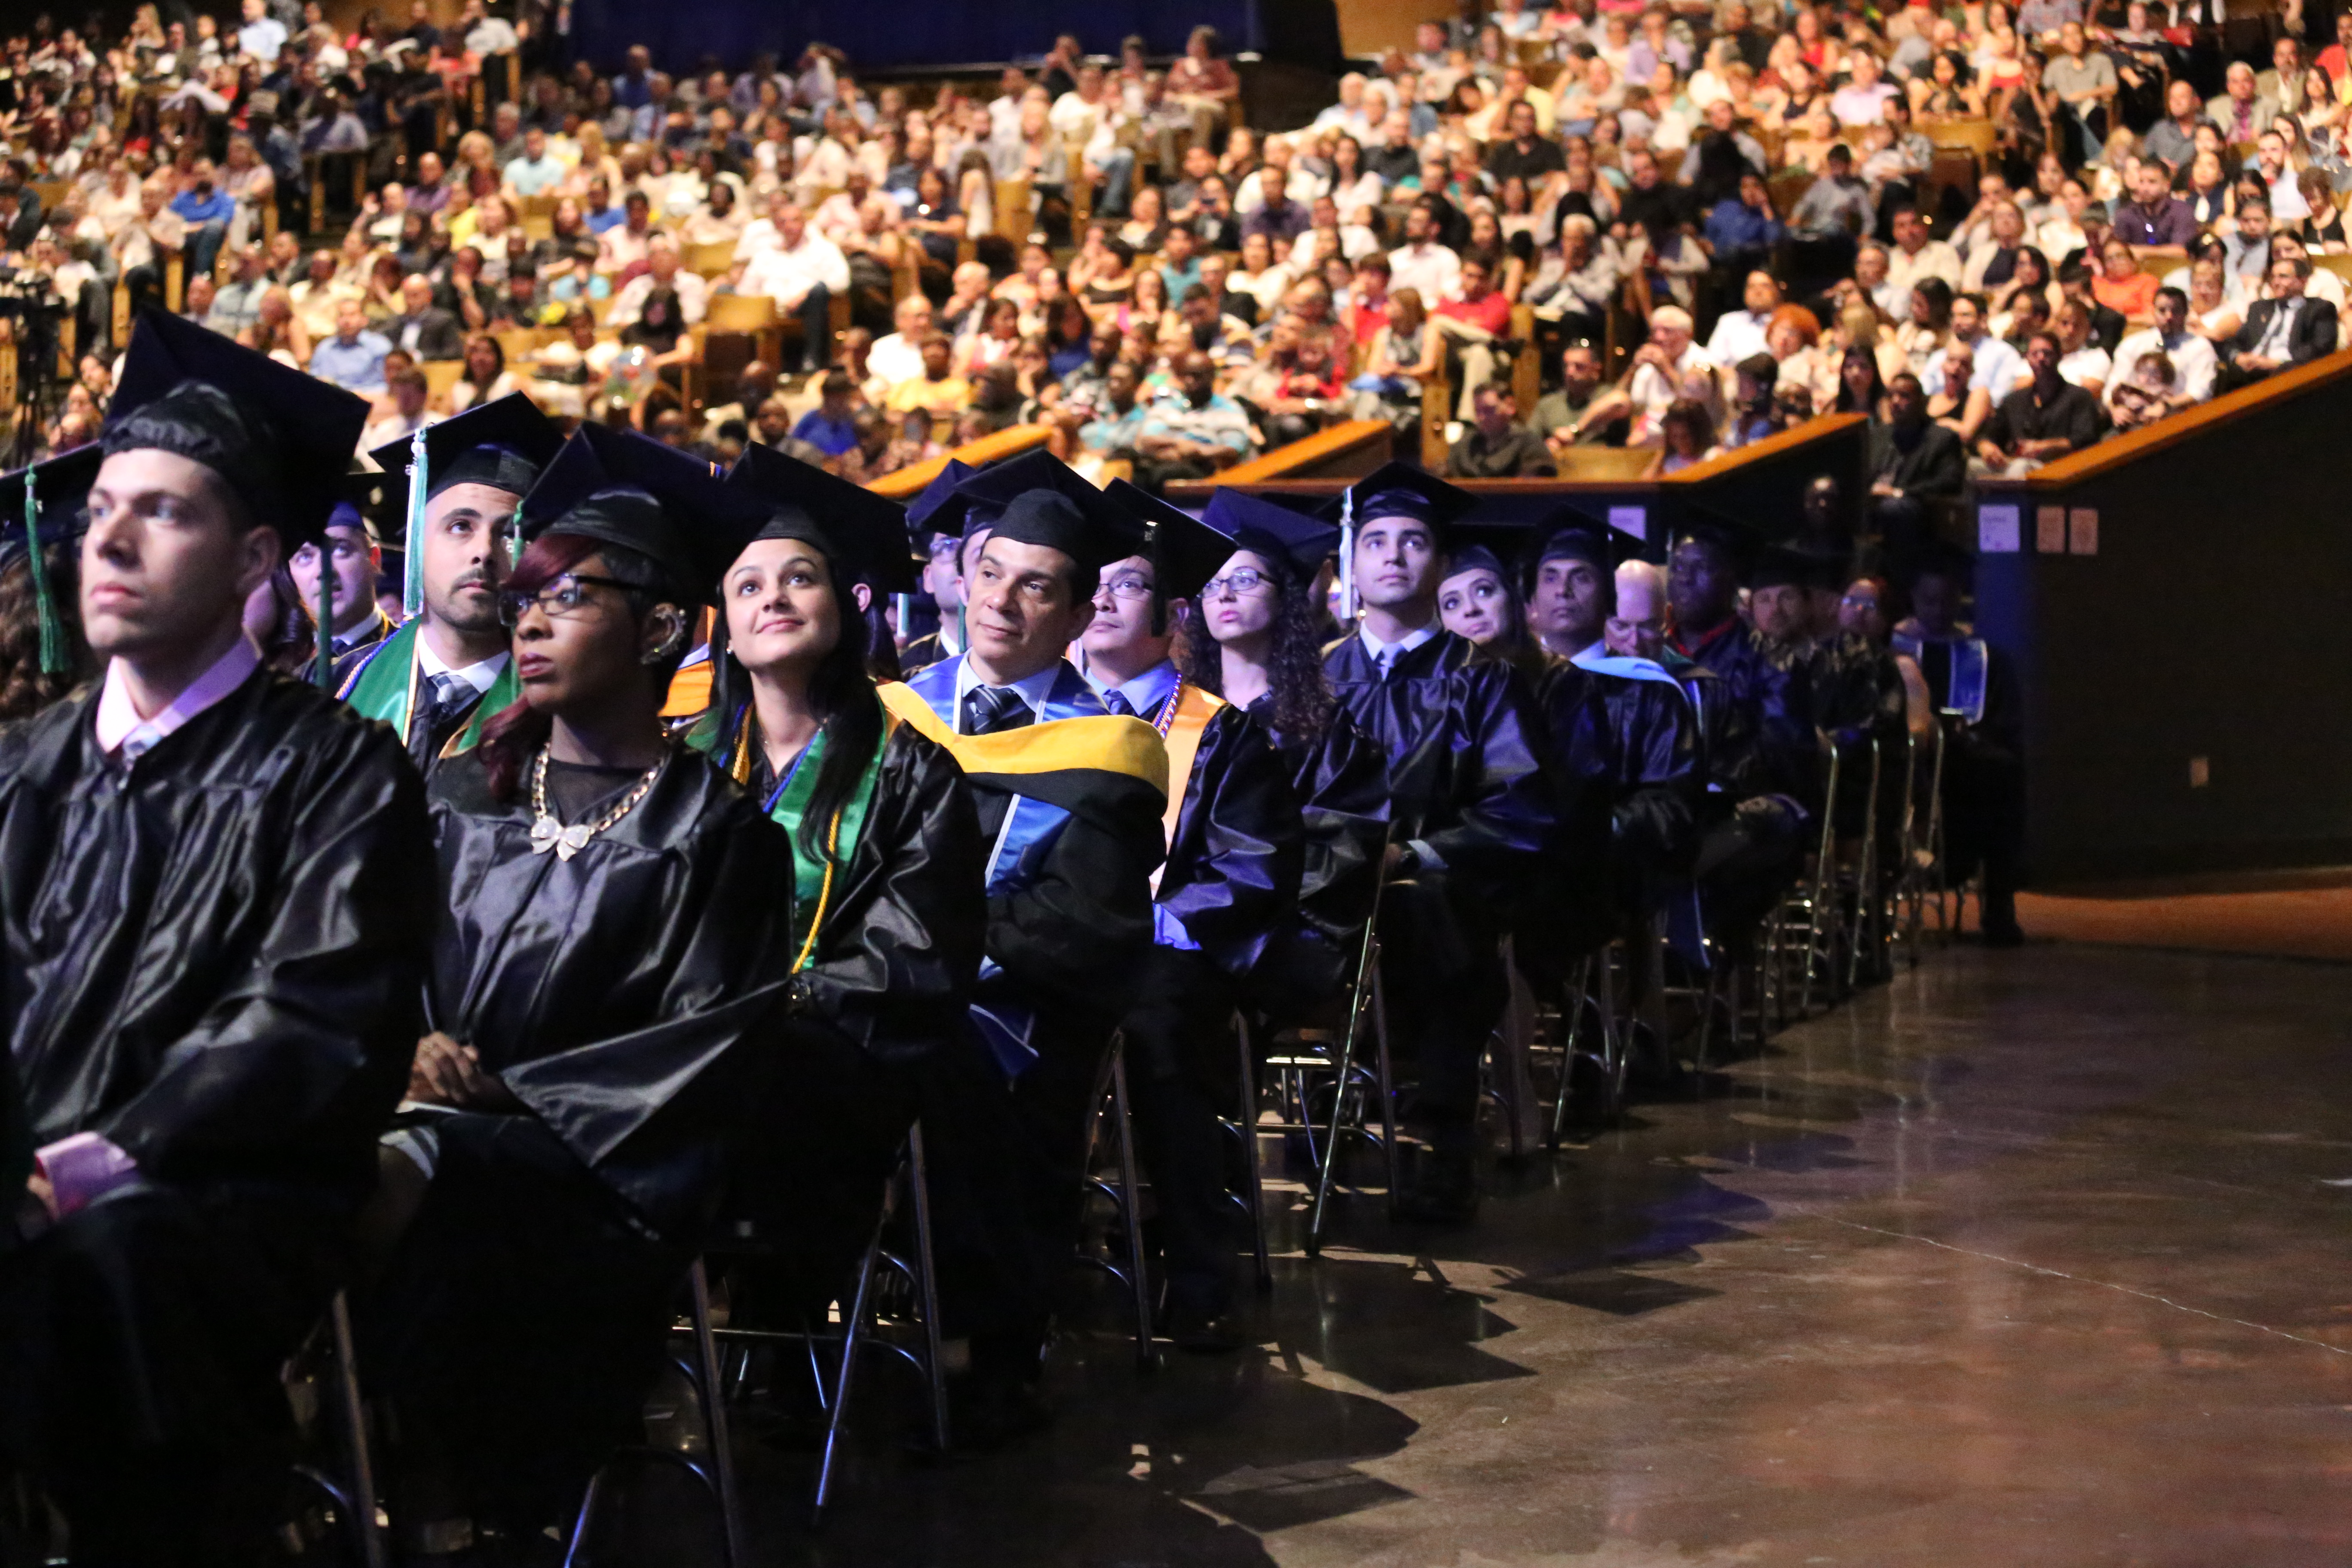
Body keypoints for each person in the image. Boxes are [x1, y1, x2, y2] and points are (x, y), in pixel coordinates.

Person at [0, 312, 432, 1564]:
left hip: (224, 1187)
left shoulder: (336, 771)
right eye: (102, 508)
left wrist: (97, 1156)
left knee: (104, 1260)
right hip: (29, 1176)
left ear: (254, 557)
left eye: (166, 512)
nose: (112, 539)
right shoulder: (25, 767)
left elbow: (312, 1023)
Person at [356, 421, 797, 1550]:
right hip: (425, 1121)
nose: (531, 621)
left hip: (608, 1166)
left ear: (660, 626)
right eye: (524, 603)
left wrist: (508, 1096)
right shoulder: (460, 794)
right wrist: (405, 1050)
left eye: (568, 597)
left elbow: (705, 1051)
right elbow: (375, 954)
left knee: (441, 1185)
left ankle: (459, 1503)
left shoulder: (715, 833)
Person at [882, 458, 1167, 1443]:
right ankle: (794, 1351)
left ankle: (992, 1355)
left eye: (1035, 583)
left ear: (1082, 608)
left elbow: (1084, 922)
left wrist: (937, 953)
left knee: (981, 1085)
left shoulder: (1109, 750)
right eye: (989, 571)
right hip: (880, 992)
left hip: (1021, 1011)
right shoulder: (890, 716)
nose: (1001, 600)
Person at [692, 444, 987, 1325]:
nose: (772, 597)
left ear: (844, 604)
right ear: (728, 628)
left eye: (799, 578)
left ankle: (780, 1332)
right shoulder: (689, 764)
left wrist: (786, 997)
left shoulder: (913, 770)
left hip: (845, 1049)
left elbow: (920, 952)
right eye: (747, 586)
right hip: (698, 1039)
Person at [1070, 479, 1302, 1351]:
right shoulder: (1038, 716)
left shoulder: (1220, 730)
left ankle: (1197, 1264)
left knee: (1159, 1029)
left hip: (1169, 953)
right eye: (1089, 582)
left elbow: (1253, 866)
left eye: (1124, 584)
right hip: (1050, 947)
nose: (1100, 598)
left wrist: (1149, 923)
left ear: (1174, 610)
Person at [1319, 464, 1555, 1219]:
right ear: (1352, 564)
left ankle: (1442, 1132)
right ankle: (1321, 1097)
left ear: (1441, 564)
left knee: (1430, 908)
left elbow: (1519, 804)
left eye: (1414, 541)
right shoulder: (1317, 676)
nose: (1393, 555)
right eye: (1378, 540)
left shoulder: (1483, 679)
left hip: (1438, 888)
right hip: (1325, 884)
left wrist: (1412, 854)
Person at [1168, 489, 1389, 1009]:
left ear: (1284, 597)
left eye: (1244, 579)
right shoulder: (1178, 716)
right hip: (1172, 927)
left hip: (1273, 937)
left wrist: (1222, 917)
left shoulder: (1324, 730)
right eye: (1214, 582)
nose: (1224, 594)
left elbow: (1336, 856)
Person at [344, 395, 564, 772]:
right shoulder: (337, 687)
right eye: (460, 526)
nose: (484, 552)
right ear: (417, 542)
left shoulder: (565, 723)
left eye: (509, 533)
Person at [1893, 547, 2024, 946]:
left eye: (1947, 600)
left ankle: (1998, 907)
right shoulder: (1892, 652)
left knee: (2004, 772)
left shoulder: (1987, 659)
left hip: (1964, 772)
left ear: (1959, 600)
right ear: (1914, 600)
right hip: (1905, 765)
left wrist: (1965, 739)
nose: (1937, 609)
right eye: (1928, 600)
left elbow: (2003, 726)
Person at [1867, 373, 1966, 573]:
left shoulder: (1942, 439)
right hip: (1873, 502)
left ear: (1921, 402)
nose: (1895, 402)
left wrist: (1900, 493)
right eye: (1891, 396)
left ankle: (1893, 576)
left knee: (1894, 508)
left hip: (1918, 512)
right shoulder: (1878, 435)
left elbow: (1950, 481)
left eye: (1904, 396)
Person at [1975, 331, 2106, 472]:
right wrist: (1986, 447)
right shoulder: (2014, 400)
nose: (2041, 358)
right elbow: (1990, 434)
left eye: (2047, 353)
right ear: (2027, 359)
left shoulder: (2079, 396)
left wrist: (2042, 447)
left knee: (2021, 466)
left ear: (2059, 357)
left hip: (2061, 468)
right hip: (2013, 464)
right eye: (2035, 354)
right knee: (1972, 467)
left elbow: (2085, 439)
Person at [2214, 256, 2340, 394]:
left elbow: (2321, 348)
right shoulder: (2259, 308)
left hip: (2290, 374)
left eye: (2283, 277)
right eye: (2273, 277)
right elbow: (2236, 342)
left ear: (2303, 280)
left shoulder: (2319, 309)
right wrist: (2238, 357)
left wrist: (2275, 363)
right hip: (2249, 371)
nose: (2276, 282)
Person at [289, 491, 392, 659]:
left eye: (341, 550)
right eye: (305, 557)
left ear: (374, 560)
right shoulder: (289, 664)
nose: (322, 571)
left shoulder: (412, 653)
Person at [2106, 288, 2217, 414]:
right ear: (2153, 311)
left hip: (2180, 416)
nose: (2169, 317)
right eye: (2162, 311)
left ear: (2186, 313)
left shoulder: (2201, 347)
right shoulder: (2132, 345)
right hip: (2134, 416)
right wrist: (2115, 410)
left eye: (2176, 311)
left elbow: (2201, 392)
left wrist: (2166, 406)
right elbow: (2114, 387)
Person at [1448, 380, 1559, 478]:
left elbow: (1535, 487)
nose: (1480, 418)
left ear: (1510, 407)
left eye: (1488, 410)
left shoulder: (1530, 444)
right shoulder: (1466, 444)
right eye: (1478, 411)